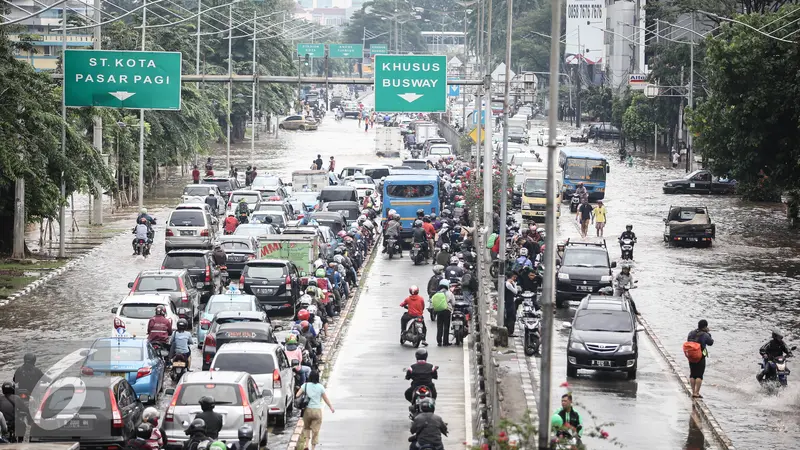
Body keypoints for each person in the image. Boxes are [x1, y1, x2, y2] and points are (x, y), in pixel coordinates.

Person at [294, 371, 334, 450]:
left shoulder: (305, 385)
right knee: (316, 431)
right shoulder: (320, 387)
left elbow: (297, 395)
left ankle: (306, 445)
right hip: (317, 411)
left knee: (307, 428)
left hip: (307, 411)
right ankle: (313, 448)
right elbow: (325, 399)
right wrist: (331, 407)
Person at [687, 319, 714, 398]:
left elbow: (688, 341)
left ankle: (693, 391)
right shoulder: (705, 335)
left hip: (691, 356)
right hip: (700, 356)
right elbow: (711, 342)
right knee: (699, 375)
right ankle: (696, 392)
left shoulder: (691, 333)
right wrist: (708, 333)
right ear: (705, 326)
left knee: (692, 374)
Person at [430, 279, 454, 346]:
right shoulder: (450, 293)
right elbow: (453, 302)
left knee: (439, 326)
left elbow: (432, 301)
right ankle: (445, 342)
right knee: (446, 327)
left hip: (439, 311)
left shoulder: (437, 294)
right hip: (447, 311)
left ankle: (439, 341)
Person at [504, 271, 519, 336]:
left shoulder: (506, 283)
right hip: (509, 303)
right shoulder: (508, 284)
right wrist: (515, 284)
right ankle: (510, 332)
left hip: (509, 302)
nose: (515, 279)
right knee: (512, 317)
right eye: (514, 277)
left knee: (510, 317)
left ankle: (508, 331)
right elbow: (515, 292)